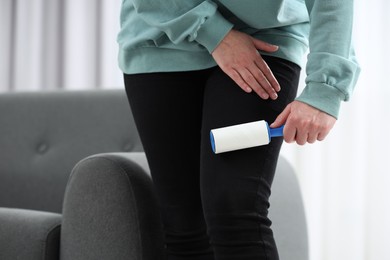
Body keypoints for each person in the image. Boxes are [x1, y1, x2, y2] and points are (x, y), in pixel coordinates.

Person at [117, 0, 360, 259]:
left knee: (234, 208)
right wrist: (215, 35)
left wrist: (326, 88)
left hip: (266, 40)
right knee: (184, 226)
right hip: (161, 38)